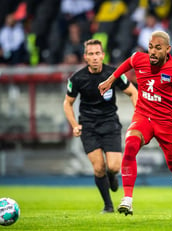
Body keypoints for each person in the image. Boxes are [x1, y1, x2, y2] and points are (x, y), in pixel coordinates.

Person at [98, 31, 172, 215]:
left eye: (158, 48)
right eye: (150, 47)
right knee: (130, 145)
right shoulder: (140, 59)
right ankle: (128, 199)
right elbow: (129, 62)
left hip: (167, 123)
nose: (153, 52)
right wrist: (110, 80)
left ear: (167, 49)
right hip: (144, 116)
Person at [63, 39, 138, 213]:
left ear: (103, 55)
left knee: (113, 167)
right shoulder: (77, 78)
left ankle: (112, 177)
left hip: (110, 123)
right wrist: (74, 125)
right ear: (85, 57)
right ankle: (108, 206)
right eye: (91, 54)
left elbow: (133, 92)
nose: (95, 57)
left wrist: (138, 117)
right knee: (98, 168)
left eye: (98, 53)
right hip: (88, 126)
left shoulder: (114, 74)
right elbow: (67, 103)